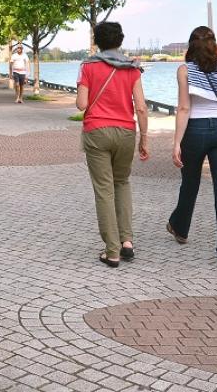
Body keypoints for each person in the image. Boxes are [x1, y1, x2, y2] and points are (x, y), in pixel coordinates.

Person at [166, 27, 217, 266]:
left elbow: (184, 109)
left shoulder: (185, 70)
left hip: (195, 131)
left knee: (190, 182)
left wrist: (177, 142)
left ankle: (180, 228)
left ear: (191, 46)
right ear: (214, 45)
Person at [76, 21, 149, 267]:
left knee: (104, 190)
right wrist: (144, 138)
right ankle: (127, 241)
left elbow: (81, 104)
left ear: (97, 41)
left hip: (97, 132)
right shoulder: (133, 68)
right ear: (120, 41)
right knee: (122, 182)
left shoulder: (87, 66)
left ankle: (112, 251)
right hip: (126, 132)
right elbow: (140, 106)